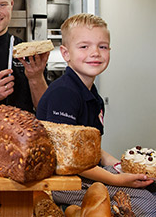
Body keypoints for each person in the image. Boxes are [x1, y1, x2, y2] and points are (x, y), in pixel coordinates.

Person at [36, 13, 156, 216]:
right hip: (61, 182)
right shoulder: (64, 94)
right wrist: (118, 179)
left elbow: (93, 150)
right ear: (65, 53)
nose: (95, 53)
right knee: (147, 203)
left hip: (85, 173)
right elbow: (69, 160)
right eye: (84, 47)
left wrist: (118, 166)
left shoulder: (92, 95)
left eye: (102, 46)